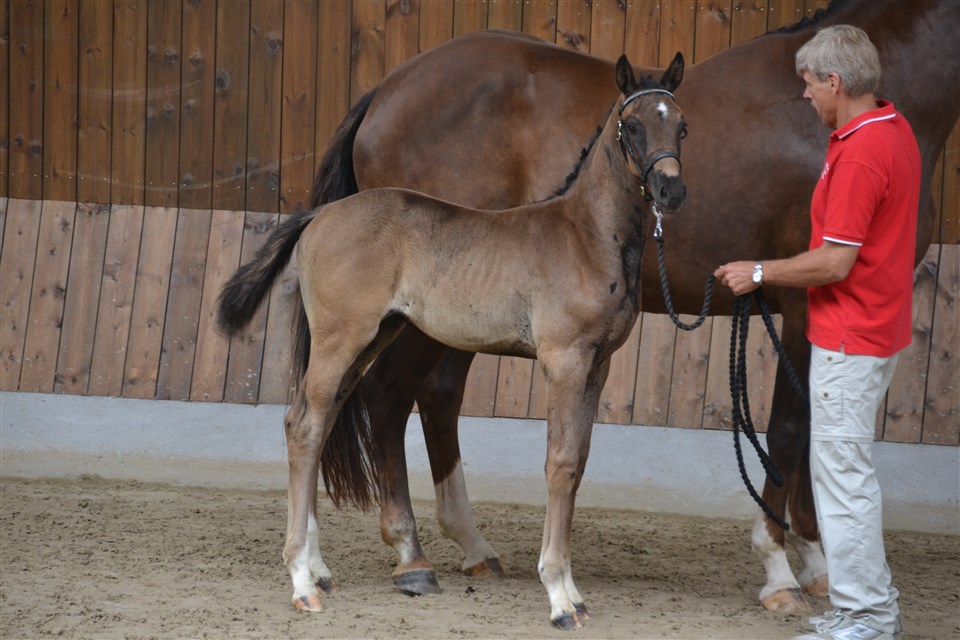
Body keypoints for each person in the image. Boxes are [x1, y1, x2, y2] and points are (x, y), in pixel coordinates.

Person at [714, 25, 919, 640]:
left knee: (843, 482)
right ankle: (872, 607)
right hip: (874, 330)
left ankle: (865, 617)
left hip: (850, 337)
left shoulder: (861, 153)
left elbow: (834, 262)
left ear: (835, 81)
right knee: (846, 476)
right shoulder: (891, 128)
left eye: (809, 84)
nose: (804, 95)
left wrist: (759, 272)